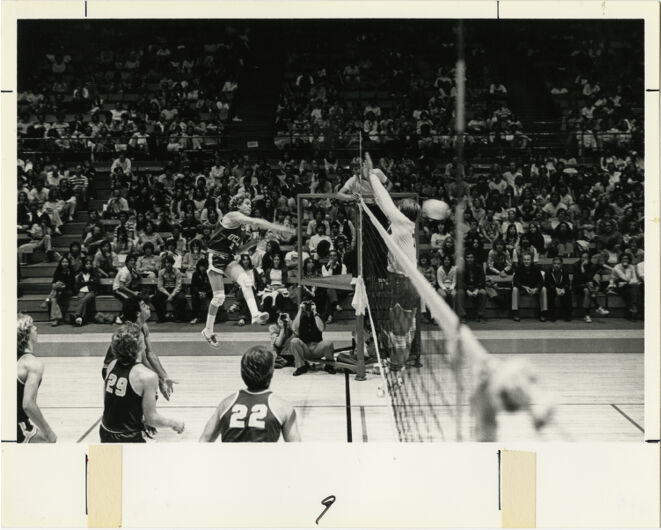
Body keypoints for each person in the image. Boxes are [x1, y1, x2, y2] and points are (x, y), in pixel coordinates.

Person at [201, 193, 295, 349]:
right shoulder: (232, 216)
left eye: (250, 203)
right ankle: (208, 330)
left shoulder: (241, 229)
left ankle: (255, 314)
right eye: (246, 203)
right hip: (215, 256)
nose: (249, 206)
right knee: (219, 297)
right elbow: (255, 220)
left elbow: (238, 250)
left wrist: (252, 243)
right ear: (238, 205)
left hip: (229, 258)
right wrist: (279, 227)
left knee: (246, 280)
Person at [101, 324, 184, 443]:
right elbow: (152, 419)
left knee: (106, 462)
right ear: (139, 345)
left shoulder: (112, 365)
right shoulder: (147, 376)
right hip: (128, 436)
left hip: (105, 430)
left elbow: (109, 402)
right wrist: (174, 424)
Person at [199, 346, 301, 442]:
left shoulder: (226, 404)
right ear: (271, 372)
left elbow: (204, 440)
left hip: (231, 460)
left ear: (242, 372)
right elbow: (296, 450)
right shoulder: (283, 407)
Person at [102, 298, 177, 401]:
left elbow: (150, 354)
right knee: (148, 390)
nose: (148, 306)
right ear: (138, 313)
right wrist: (159, 381)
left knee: (148, 389)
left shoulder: (143, 327)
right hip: (112, 368)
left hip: (126, 365)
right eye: (143, 305)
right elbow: (142, 363)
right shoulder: (133, 333)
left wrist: (165, 377)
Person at [17, 314, 57, 442]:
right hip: (16, 426)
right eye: (32, 326)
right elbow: (28, 405)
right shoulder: (32, 363)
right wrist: (49, 432)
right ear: (26, 333)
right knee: (49, 441)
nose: (36, 328)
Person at [289, 301, 336, 376]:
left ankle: (329, 365)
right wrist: (300, 311)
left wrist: (315, 312)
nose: (308, 306)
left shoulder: (318, 315)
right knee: (294, 341)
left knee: (328, 343)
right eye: (306, 304)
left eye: (310, 304)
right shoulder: (299, 316)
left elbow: (321, 328)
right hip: (305, 348)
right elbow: (294, 328)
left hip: (317, 347)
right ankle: (301, 366)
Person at [572, 250, 610, 323]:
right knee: (589, 287)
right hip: (577, 286)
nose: (584, 259)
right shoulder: (576, 265)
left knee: (587, 291)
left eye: (586, 257)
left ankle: (587, 315)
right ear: (580, 258)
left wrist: (612, 269)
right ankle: (598, 307)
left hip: (587, 287)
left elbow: (600, 266)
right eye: (582, 257)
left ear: (588, 258)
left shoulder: (590, 265)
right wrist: (582, 268)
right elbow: (577, 280)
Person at [511, 253, 548, 322]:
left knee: (544, 289)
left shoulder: (536, 268)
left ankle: (543, 313)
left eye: (528, 260)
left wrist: (536, 288)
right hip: (523, 289)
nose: (526, 261)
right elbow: (515, 282)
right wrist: (525, 287)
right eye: (525, 260)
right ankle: (515, 313)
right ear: (522, 260)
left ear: (531, 261)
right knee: (515, 289)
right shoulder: (519, 268)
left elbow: (542, 282)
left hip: (534, 289)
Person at [41, 256, 76, 326]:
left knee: (55, 294)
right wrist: (55, 285)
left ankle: (47, 300)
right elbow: (54, 281)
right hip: (58, 290)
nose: (65, 263)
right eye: (63, 262)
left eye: (66, 262)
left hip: (68, 291)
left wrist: (64, 286)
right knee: (54, 299)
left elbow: (72, 284)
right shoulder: (58, 270)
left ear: (69, 263)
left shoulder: (71, 271)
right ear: (61, 263)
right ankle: (56, 319)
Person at [456, 250, 488, 323]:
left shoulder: (479, 267)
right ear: (465, 259)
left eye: (471, 257)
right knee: (460, 293)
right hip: (466, 288)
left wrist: (477, 290)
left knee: (483, 293)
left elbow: (482, 280)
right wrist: (467, 290)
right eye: (468, 257)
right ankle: (463, 315)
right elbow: (461, 281)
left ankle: (480, 315)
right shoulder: (462, 268)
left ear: (474, 258)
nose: (470, 259)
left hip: (476, 286)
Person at [152, 255, 187, 322]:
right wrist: (168, 295)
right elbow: (160, 286)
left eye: (169, 263)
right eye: (166, 263)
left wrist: (172, 295)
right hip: (165, 290)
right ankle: (161, 317)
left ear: (172, 263)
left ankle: (177, 317)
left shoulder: (177, 272)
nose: (167, 265)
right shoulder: (161, 272)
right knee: (154, 299)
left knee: (182, 299)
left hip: (175, 290)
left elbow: (178, 286)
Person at [112, 253, 142, 325]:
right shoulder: (124, 271)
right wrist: (133, 292)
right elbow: (121, 286)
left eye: (134, 260)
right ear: (127, 262)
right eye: (131, 260)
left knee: (135, 298)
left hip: (125, 289)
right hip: (117, 290)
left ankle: (133, 317)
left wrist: (136, 272)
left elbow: (138, 277)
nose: (133, 262)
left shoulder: (131, 270)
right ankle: (120, 317)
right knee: (128, 299)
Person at [612, 253, 641, 321]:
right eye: (623, 259)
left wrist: (629, 282)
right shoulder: (617, 267)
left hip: (628, 285)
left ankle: (632, 308)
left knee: (632, 289)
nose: (625, 260)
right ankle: (633, 308)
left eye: (626, 259)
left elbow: (634, 278)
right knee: (633, 289)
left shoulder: (632, 266)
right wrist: (627, 269)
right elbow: (626, 278)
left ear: (629, 259)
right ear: (620, 260)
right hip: (617, 285)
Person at [73, 256, 100, 326]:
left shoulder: (94, 272)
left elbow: (96, 283)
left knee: (83, 300)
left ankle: (77, 315)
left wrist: (85, 283)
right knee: (82, 299)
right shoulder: (81, 273)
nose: (88, 265)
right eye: (87, 264)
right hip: (81, 290)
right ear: (84, 265)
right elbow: (78, 284)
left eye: (90, 264)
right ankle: (82, 319)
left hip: (91, 291)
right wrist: (89, 282)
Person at [545, 256, 572, 321]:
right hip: (552, 288)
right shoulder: (548, 271)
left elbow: (567, 283)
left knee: (568, 292)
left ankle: (567, 314)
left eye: (558, 264)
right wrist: (555, 289)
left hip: (562, 288)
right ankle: (551, 315)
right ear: (552, 264)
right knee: (550, 293)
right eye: (555, 263)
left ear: (561, 264)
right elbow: (547, 283)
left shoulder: (565, 271)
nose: (556, 265)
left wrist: (563, 289)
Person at [190, 258, 213, 325]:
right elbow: (193, 286)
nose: (202, 268)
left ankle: (212, 318)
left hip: (208, 292)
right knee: (194, 297)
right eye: (201, 266)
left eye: (204, 266)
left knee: (215, 297)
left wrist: (206, 293)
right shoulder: (195, 274)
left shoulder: (210, 274)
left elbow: (212, 286)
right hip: (198, 292)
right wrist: (199, 292)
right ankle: (195, 317)